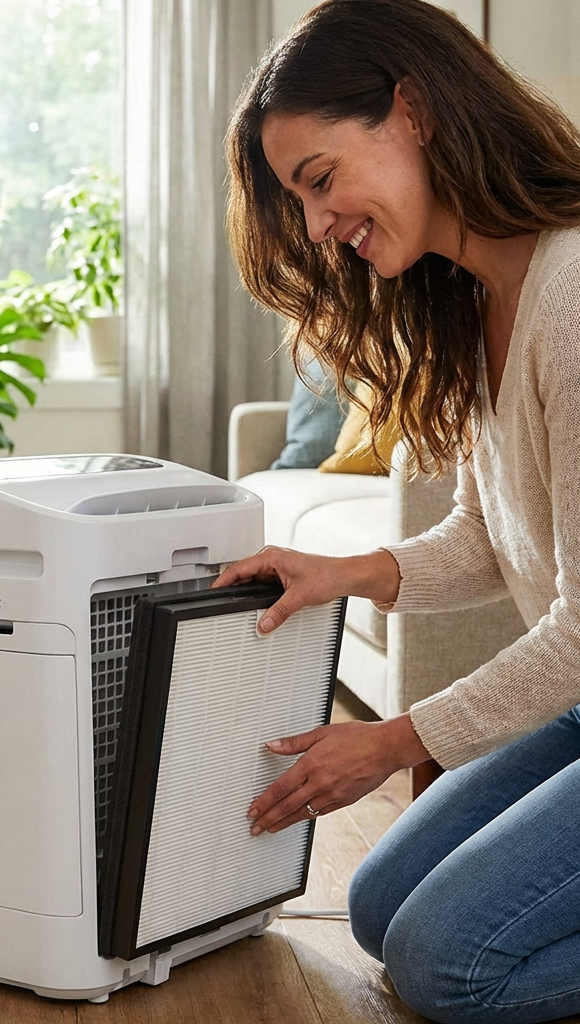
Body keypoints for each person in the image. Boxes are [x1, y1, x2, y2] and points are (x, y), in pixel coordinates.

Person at [217, 1, 580, 1021]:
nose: (319, 224)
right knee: (377, 907)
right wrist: (343, 573)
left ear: (411, 110)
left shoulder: (573, 296)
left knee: (447, 966)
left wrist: (389, 740)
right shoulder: (476, 304)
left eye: (320, 179)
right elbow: (484, 531)